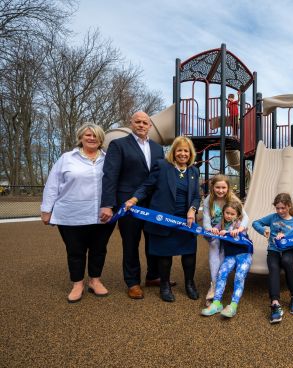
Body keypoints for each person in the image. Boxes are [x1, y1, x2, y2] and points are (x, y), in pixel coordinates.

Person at [41, 123, 116, 303]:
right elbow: (52, 184)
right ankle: (77, 284)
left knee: (99, 250)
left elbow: (115, 184)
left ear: (101, 139)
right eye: (87, 135)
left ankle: (95, 281)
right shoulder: (66, 159)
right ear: (80, 138)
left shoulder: (109, 160)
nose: (91, 138)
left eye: (95, 135)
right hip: (71, 215)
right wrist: (46, 209)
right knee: (75, 251)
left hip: (103, 216)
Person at [99, 111, 167, 300]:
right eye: (137, 122)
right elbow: (110, 175)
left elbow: (158, 177)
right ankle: (132, 282)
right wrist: (107, 204)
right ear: (131, 124)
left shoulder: (157, 148)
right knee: (131, 243)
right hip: (128, 204)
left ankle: (153, 276)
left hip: (152, 204)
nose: (141, 125)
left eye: (145, 122)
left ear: (150, 126)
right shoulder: (118, 145)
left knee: (154, 241)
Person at [125, 136, 201, 302]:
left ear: (190, 153)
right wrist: (134, 199)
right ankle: (164, 285)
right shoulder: (162, 166)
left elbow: (196, 196)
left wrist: (192, 210)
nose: (183, 153)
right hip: (163, 219)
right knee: (164, 255)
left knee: (189, 254)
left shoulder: (194, 171)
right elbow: (147, 186)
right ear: (173, 152)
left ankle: (190, 283)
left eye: (186, 151)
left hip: (185, 221)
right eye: (179, 150)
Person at [252, 193, 293, 324]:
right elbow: (255, 223)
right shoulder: (273, 217)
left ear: (289, 206)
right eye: (278, 208)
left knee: (286, 261)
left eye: (283, 208)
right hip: (273, 250)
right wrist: (264, 230)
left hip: (289, 251)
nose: (280, 211)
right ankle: (275, 303)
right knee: (273, 268)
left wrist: (286, 240)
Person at [202, 174, 249, 306]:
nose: (221, 190)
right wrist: (211, 229)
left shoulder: (233, 199)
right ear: (213, 187)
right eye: (218, 187)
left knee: (223, 253)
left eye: (224, 187)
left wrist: (239, 230)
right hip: (215, 232)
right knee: (215, 246)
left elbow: (245, 218)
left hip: (230, 232)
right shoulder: (208, 200)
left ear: (228, 188)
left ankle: (218, 284)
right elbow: (206, 222)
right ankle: (214, 284)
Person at [201, 201, 252, 318]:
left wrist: (231, 232)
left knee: (239, 276)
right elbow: (211, 234)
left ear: (237, 215)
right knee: (222, 273)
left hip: (244, 254)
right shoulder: (221, 223)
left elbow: (242, 233)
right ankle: (216, 303)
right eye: (227, 213)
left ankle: (233, 305)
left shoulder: (240, 224)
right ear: (223, 213)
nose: (229, 215)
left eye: (232, 214)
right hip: (230, 255)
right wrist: (213, 231)